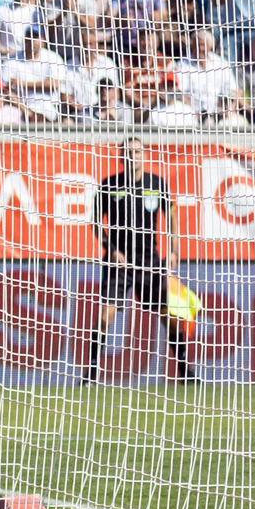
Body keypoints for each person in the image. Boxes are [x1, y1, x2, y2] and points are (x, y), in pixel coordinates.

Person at [83, 138, 189, 383]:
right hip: (118, 262)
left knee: (168, 314)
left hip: (149, 260)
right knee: (105, 316)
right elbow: (96, 222)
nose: (133, 156)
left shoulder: (156, 183)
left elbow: (172, 214)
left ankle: (185, 371)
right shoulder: (110, 185)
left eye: (137, 151)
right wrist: (110, 249)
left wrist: (173, 251)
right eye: (128, 152)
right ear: (121, 157)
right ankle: (90, 372)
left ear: (144, 155)